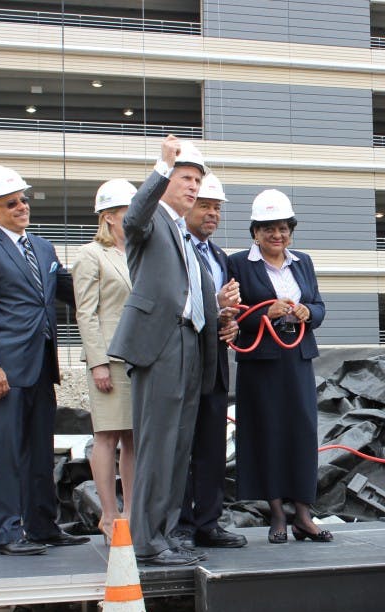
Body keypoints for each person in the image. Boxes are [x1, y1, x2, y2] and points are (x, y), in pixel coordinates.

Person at [108, 136, 240, 567]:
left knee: (178, 446)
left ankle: (165, 534)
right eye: (186, 178)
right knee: (157, 444)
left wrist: (219, 311)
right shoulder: (151, 221)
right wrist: (161, 168)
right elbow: (133, 218)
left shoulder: (183, 235)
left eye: (197, 180)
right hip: (160, 344)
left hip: (190, 343)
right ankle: (147, 540)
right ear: (166, 180)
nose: (193, 186)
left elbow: (188, 296)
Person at [0, 166, 88, 556]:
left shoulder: (44, 248)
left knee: (40, 451)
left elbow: (71, 290)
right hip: (4, 371)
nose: (21, 207)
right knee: (4, 455)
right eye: (11, 203)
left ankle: (42, 526)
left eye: (23, 200)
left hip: (41, 367)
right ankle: (6, 533)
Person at [225, 189, 331, 543]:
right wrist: (265, 313)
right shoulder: (238, 264)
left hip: (297, 357)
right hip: (261, 361)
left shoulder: (303, 262)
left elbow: (319, 307)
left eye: (283, 228)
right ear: (255, 232)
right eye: (268, 228)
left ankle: (303, 513)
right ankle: (276, 514)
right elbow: (233, 315)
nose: (277, 235)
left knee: (302, 431)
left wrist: (307, 312)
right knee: (266, 432)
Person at [174, 172, 246, 550]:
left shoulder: (220, 257)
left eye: (217, 208)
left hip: (215, 361)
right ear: (187, 206)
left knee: (211, 447)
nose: (213, 214)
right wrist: (215, 306)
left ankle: (208, 522)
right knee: (180, 446)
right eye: (205, 206)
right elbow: (175, 303)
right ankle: (180, 524)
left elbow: (221, 310)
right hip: (182, 360)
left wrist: (230, 322)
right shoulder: (173, 249)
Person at [72, 179, 138, 543]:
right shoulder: (91, 255)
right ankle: (109, 515)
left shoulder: (139, 254)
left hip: (137, 358)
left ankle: (131, 514)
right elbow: (86, 312)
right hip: (109, 358)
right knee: (107, 435)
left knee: (133, 437)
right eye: (127, 211)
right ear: (109, 216)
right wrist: (97, 362)